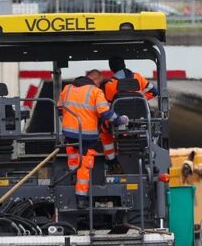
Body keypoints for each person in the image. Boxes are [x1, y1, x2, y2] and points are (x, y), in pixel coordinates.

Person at [59, 76, 128, 206]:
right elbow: (105, 113)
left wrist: (67, 123)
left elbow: (59, 108)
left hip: (68, 133)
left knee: (73, 153)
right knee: (85, 164)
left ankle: (72, 173)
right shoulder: (95, 91)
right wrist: (120, 120)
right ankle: (81, 197)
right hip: (87, 136)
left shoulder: (67, 89)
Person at [98, 58, 155, 163]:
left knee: (104, 129)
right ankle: (149, 156)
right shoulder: (138, 77)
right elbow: (154, 91)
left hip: (119, 121)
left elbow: (106, 106)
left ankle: (111, 160)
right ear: (124, 64)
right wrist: (141, 100)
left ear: (111, 68)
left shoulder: (109, 85)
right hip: (139, 119)